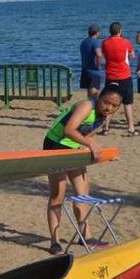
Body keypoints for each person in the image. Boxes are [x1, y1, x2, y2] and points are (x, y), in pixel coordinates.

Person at [43, 84, 122, 255]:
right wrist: (90, 144)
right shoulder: (87, 105)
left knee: (83, 193)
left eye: (114, 106)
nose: (109, 108)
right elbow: (69, 130)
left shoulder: (104, 116)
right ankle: (55, 241)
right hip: (55, 145)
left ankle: (86, 236)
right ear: (99, 98)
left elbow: (88, 136)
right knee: (58, 194)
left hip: (74, 148)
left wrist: (100, 155)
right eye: (106, 103)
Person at [100, 22, 138, 135]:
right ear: (120, 31)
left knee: (109, 102)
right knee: (127, 103)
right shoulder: (126, 42)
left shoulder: (105, 43)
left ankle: (106, 128)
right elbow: (132, 55)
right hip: (124, 75)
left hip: (111, 75)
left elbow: (103, 56)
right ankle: (131, 128)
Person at [79, 25, 104, 99]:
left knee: (89, 95)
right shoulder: (95, 42)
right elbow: (99, 55)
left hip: (85, 70)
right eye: (98, 32)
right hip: (93, 71)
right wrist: (98, 65)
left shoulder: (84, 42)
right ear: (96, 33)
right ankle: (92, 108)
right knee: (94, 94)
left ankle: (90, 108)